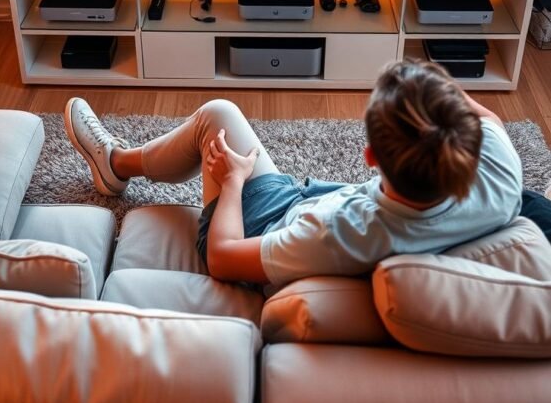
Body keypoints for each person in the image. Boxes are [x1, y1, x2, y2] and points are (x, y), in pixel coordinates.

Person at [63, 60, 551, 288]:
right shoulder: (501, 176)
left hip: (259, 223)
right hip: (323, 198)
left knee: (217, 114)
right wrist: (428, 93)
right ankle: (120, 163)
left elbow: (225, 259)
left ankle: (115, 165)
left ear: (370, 158)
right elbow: (487, 120)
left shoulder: (340, 233)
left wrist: (232, 182)